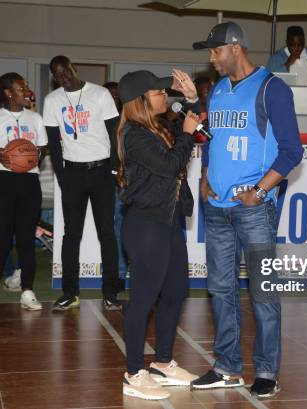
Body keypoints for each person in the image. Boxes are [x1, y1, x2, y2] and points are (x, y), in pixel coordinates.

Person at [191, 22, 303, 399]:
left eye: (214, 50)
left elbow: (292, 151)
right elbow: (211, 139)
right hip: (217, 207)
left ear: (235, 48)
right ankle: (227, 366)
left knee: (262, 293)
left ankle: (268, 370)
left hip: (254, 210)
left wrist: (259, 190)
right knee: (220, 290)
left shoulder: (273, 88)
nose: (211, 57)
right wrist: (205, 174)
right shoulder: (219, 90)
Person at [117, 69, 200, 400]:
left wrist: (193, 98)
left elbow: (193, 126)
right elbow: (170, 165)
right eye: (157, 93)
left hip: (169, 222)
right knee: (143, 299)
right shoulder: (135, 135)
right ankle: (134, 372)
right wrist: (188, 136)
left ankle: (163, 363)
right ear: (140, 101)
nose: (165, 97)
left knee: (176, 292)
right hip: (145, 225)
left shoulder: (159, 128)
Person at [43, 55, 122, 311]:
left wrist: (114, 170)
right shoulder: (52, 101)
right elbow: (53, 143)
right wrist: (62, 177)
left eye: (65, 71)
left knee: (107, 234)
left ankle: (110, 293)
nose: (63, 77)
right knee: (71, 236)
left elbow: (115, 134)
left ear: (73, 68)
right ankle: (70, 292)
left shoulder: (99, 94)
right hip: (73, 174)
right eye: (57, 75)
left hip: (101, 172)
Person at [0, 73, 48, 314]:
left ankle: (27, 292)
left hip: (29, 181)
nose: (27, 91)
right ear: (8, 92)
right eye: (21, 88)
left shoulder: (35, 118)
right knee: (2, 240)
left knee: (27, 240)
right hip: (2, 181)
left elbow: (42, 149)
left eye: (26, 87)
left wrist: (33, 152)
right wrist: (0, 155)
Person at [103, 81, 128, 288]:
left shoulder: (127, 119)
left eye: (116, 95)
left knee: (121, 226)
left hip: (122, 181)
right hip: (100, 179)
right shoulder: (95, 119)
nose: (113, 98)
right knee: (106, 229)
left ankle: (119, 274)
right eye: (109, 95)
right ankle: (111, 272)